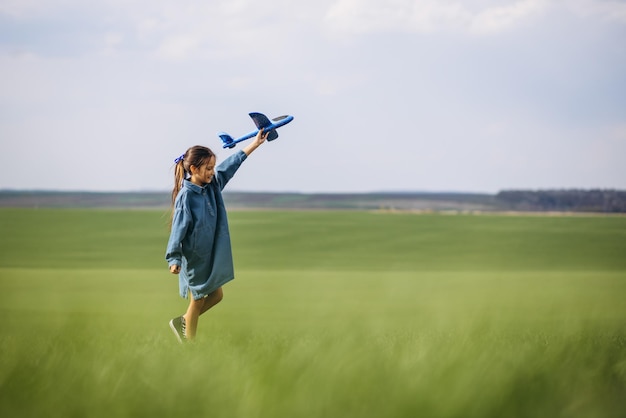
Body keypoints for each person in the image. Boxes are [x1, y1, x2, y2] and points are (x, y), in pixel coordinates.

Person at [166, 129, 269, 342]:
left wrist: (255, 144)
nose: (213, 172)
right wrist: (174, 258)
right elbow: (178, 228)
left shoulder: (213, 185)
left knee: (217, 295)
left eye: (213, 167)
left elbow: (232, 164)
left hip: (211, 254)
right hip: (194, 256)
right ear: (194, 169)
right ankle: (189, 345)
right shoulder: (186, 197)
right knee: (198, 299)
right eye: (208, 168)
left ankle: (183, 321)